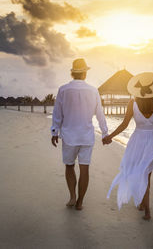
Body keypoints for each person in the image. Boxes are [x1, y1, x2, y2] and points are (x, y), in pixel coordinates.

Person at [104, 72, 153, 220]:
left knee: (140, 173)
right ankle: (144, 206)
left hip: (137, 140)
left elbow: (124, 124)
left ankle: (147, 209)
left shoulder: (133, 103)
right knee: (146, 174)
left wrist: (110, 136)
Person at [51, 58, 108, 210]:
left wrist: (54, 131)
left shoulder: (63, 90)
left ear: (72, 73)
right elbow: (100, 114)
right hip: (87, 136)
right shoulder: (93, 90)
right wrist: (104, 133)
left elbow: (57, 113)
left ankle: (72, 197)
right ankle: (80, 202)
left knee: (69, 166)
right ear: (85, 73)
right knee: (84, 169)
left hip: (69, 136)